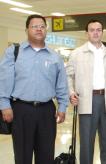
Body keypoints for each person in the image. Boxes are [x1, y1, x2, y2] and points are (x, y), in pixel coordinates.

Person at [0, 14, 69, 164]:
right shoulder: (14, 52)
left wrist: (62, 106)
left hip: (47, 111)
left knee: (46, 155)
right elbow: (4, 81)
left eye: (42, 26)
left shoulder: (54, 57)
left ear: (46, 30)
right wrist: (4, 105)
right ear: (26, 30)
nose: (39, 29)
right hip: (21, 110)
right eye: (34, 26)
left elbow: (62, 84)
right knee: (22, 156)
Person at [66, 19, 106, 164]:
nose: (95, 32)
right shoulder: (77, 53)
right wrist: (71, 93)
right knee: (86, 143)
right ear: (86, 33)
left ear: (102, 32)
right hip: (86, 101)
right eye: (92, 30)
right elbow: (68, 76)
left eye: (98, 30)